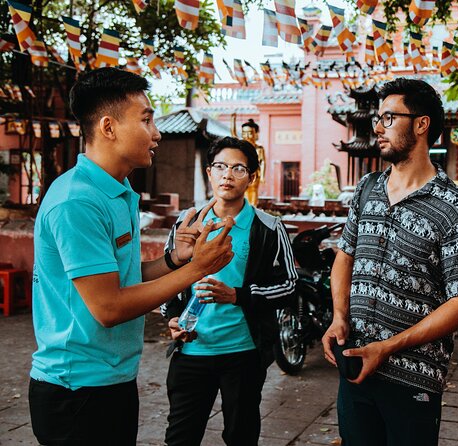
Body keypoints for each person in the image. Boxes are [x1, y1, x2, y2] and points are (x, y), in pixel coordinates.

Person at [29, 67, 234, 445]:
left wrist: (175, 260)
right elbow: (108, 307)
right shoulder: (78, 201)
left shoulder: (116, 190)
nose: (156, 133)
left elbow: (120, 277)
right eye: (146, 119)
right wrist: (198, 269)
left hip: (112, 378)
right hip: (76, 388)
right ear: (108, 127)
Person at [322, 78, 458, 445]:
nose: (377, 127)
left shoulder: (454, 207)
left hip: (413, 378)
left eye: (389, 118)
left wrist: (390, 347)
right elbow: (345, 257)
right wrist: (339, 316)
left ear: (421, 124)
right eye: (378, 118)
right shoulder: (368, 188)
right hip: (356, 365)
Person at [161, 136, 297, 446]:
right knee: (180, 436)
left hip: (243, 352)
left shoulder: (268, 227)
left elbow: (290, 286)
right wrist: (171, 318)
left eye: (238, 168)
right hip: (191, 350)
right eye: (220, 166)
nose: (227, 175)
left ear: (252, 176)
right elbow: (170, 279)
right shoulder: (187, 222)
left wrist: (238, 295)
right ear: (209, 172)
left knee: (241, 434)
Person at [241, 119, 265, 206]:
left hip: (255, 174)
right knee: (243, 192)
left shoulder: (259, 149)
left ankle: (252, 209)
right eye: (244, 133)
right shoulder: (241, 148)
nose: (247, 136)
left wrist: (262, 176)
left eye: (250, 133)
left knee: (253, 191)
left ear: (256, 134)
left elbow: (262, 162)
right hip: (242, 174)